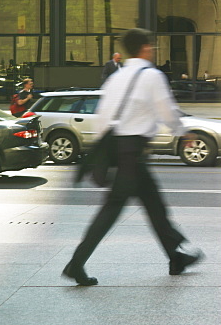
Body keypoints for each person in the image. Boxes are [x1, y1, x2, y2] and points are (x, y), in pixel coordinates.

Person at [63, 28, 203, 287]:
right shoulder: (151, 75)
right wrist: (183, 132)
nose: (152, 50)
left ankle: (175, 258)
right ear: (145, 48)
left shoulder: (116, 78)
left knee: (155, 206)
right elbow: (167, 109)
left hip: (121, 149)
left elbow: (103, 117)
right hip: (134, 152)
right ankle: (76, 263)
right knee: (113, 210)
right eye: (151, 46)